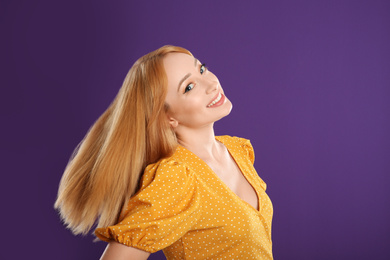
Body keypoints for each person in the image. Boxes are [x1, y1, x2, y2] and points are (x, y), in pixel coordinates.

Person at [54, 45, 273, 259]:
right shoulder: (177, 178)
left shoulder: (237, 150)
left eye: (202, 69)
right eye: (188, 87)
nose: (211, 84)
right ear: (168, 118)